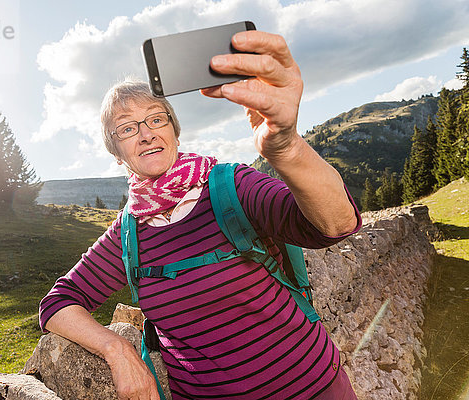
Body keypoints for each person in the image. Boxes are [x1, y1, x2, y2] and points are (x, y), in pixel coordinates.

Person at [39, 30, 361, 399]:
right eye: (127, 128)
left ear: (175, 132)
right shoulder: (127, 233)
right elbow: (57, 304)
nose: (145, 134)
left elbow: (336, 225)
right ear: (117, 153)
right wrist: (118, 350)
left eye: (156, 120)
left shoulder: (231, 187)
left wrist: (287, 147)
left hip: (315, 387)